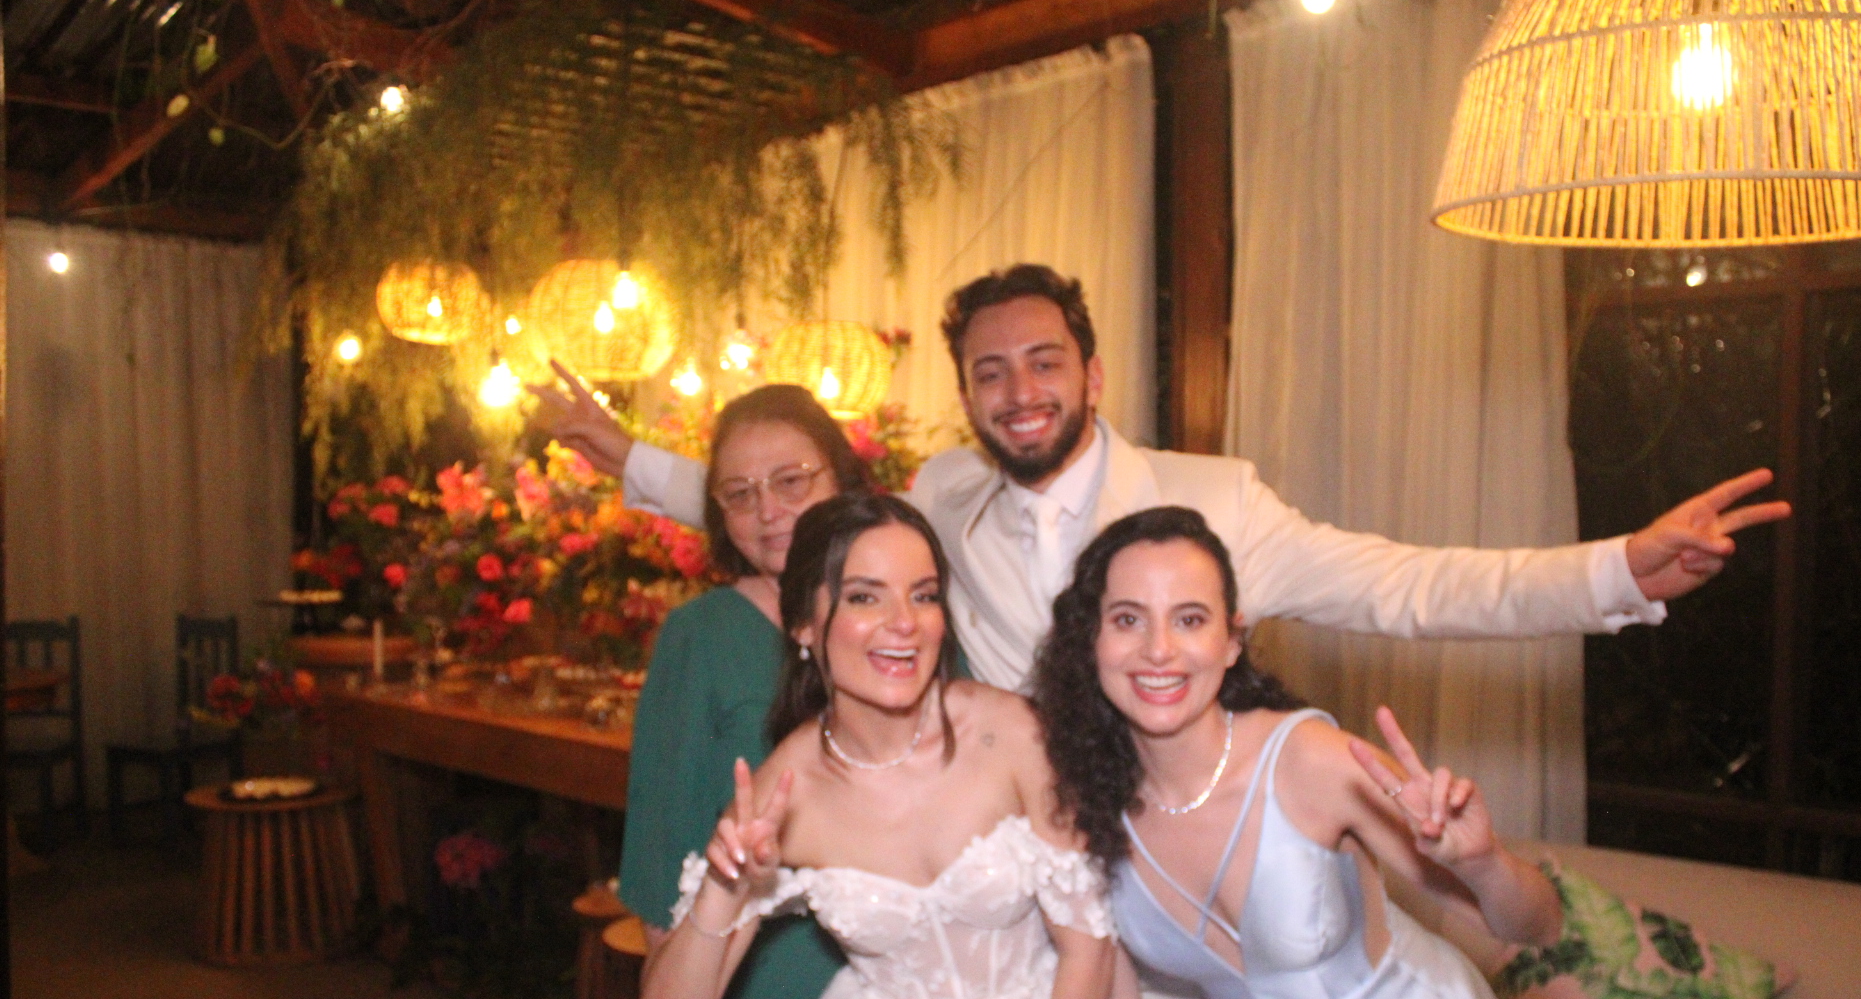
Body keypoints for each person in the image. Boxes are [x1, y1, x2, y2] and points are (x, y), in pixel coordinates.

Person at [543, 264, 1790, 696]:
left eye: (1044, 362)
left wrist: (1615, 569)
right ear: (966, 392)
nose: (1019, 391)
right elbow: (803, 524)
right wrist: (632, 460)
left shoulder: (1218, 501)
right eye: (990, 372)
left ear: (1092, 372)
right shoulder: (946, 492)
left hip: (1170, 863)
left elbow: (1407, 585)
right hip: (1002, 863)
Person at [1032, 506, 1563, 999]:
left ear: (1232, 639)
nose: (1158, 650)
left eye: (1190, 619)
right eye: (1128, 619)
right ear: (1091, 640)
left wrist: (1481, 861)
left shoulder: (1311, 762)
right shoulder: (1086, 805)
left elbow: (1536, 926)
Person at [637, 494, 1139, 999]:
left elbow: (1089, 947)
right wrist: (724, 887)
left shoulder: (1011, 735)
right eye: (866, 597)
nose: (905, 623)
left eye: (923, 595)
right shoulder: (785, 792)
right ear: (804, 625)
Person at [600, 384, 873, 999]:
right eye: (739, 493)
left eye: (792, 481)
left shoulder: (905, 615)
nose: (769, 511)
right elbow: (659, 856)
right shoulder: (701, 638)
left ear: (842, 478)